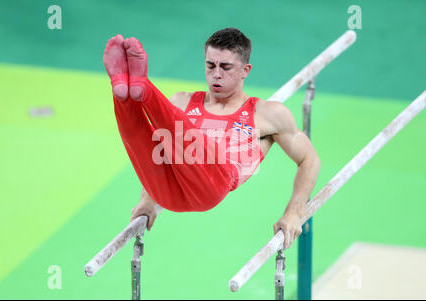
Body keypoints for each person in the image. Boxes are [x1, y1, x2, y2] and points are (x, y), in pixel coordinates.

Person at [103, 28, 320, 249]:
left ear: (246, 70)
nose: (216, 74)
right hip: (166, 191)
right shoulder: (181, 101)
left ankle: (145, 87)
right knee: (139, 140)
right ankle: (124, 91)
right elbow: (152, 153)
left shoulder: (266, 114)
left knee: (190, 139)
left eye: (226, 67)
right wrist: (147, 201)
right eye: (210, 66)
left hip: (212, 185)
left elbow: (309, 160)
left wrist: (294, 212)